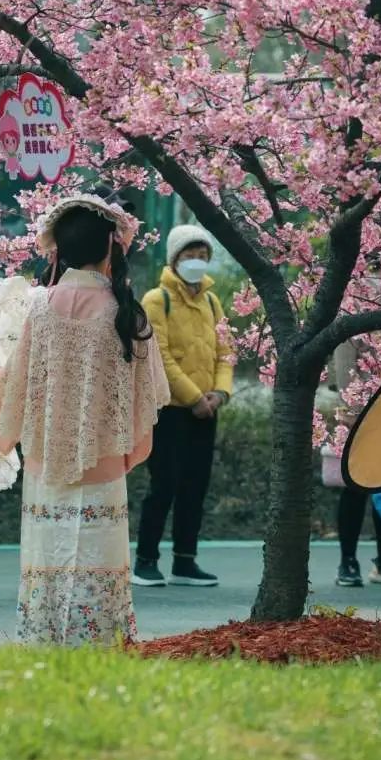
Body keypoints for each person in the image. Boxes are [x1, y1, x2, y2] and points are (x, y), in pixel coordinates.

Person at [0, 191, 169, 646]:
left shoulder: (41, 308)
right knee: (98, 561)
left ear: (60, 250)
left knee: (50, 558)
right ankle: (101, 644)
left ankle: (45, 641)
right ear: (111, 246)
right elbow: (145, 398)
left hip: (46, 466)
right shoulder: (125, 313)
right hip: (104, 468)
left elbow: (16, 388)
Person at [133, 224, 234, 587]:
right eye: (190, 255)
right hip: (171, 411)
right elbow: (159, 356)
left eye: (202, 255)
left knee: (196, 485)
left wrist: (219, 394)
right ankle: (146, 559)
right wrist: (194, 397)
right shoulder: (157, 300)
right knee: (164, 484)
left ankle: (185, 561)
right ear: (174, 259)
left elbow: (226, 352)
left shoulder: (212, 301)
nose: (197, 261)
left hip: (207, 410)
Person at [333, 338, 381, 587]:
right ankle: (348, 561)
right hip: (360, 417)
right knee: (354, 490)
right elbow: (343, 363)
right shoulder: (353, 304)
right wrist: (352, 410)